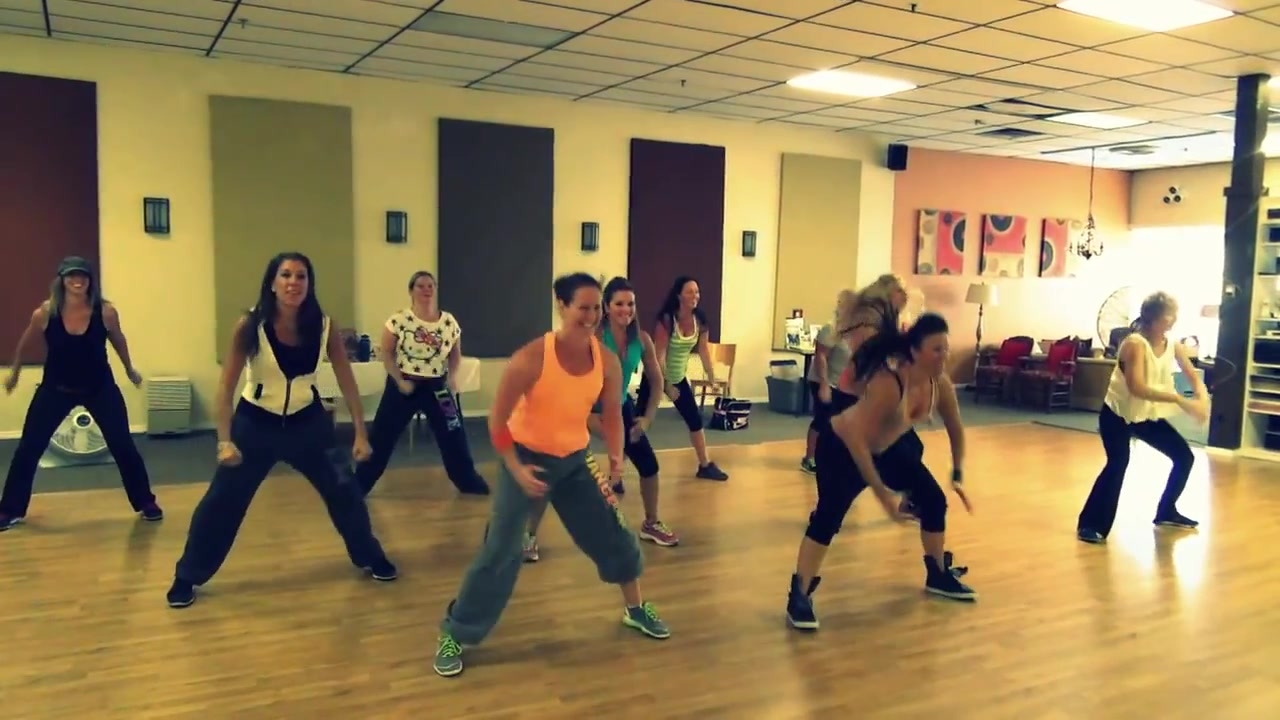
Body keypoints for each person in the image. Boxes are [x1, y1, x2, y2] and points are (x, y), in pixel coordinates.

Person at [432, 273, 670, 678]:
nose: (591, 316)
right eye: (583, 308)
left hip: (576, 460)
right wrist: (516, 468)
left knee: (615, 533)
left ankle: (635, 608)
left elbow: (612, 414)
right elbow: (497, 421)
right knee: (501, 550)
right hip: (524, 457)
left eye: (596, 308)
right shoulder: (531, 358)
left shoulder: (606, 360)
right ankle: (455, 632)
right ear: (561, 305)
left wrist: (615, 456)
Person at [165, 252, 397, 608]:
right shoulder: (249, 325)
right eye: (285, 275)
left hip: (308, 423)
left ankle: (370, 556)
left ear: (309, 284)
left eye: (301, 276)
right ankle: (187, 576)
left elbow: (346, 380)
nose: (293, 283)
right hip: (255, 424)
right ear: (272, 283)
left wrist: (361, 433)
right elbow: (225, 388)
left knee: (345, 490)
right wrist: (224, 441)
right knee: (222, 502)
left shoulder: (324, 326)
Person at [786, 313, 976, 632]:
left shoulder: (940, 384)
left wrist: (957, 472)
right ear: (915, 351)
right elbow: (858, 443)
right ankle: (799, 595)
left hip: (887, 448)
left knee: (933, 500)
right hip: (842, 447)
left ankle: (938, 574)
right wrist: (883, 495)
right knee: (828, 518)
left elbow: (955, 427)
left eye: (946, 349)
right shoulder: (890, 383)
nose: (944, 356)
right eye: (936, 350)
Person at [521, 277, 676, 562]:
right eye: (619, 304)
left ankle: (651, 523)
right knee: (551, 472)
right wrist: (592, 421)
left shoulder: (641, 340)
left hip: (618, 407)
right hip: (578, 408)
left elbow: (657, 381)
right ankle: (527, 534)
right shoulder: (593, 338)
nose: (626, 310)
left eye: (630, 304)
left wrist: (647, 419)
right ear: (606, 307)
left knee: (649, 464)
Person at [0, 256, 161, 531]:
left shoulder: (106, 312)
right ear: (61, 280)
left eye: (83, 276)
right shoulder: (45, 313)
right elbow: (25, 343)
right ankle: (9, 510)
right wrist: (14, 373)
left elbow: (118, 339)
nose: (78, 281)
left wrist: (129, 369)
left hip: (99, 388)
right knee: (29, 448)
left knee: (123, 446)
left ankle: (145, 502)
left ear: (90, 281)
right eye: (71, 276)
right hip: (56, 389)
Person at [1077, 292, 1205, 544]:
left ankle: (1166, 511)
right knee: (1118, 463)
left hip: (1146, 415)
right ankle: (1090, 525)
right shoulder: (1134, 344)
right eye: (1169, 316)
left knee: (1184, 457)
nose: (1174, 320)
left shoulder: (1173, 345)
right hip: (1117, 415)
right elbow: (1137, 388)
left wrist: (1201, 399)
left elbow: (1193, 376)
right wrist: (1180, 400)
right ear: (1155, 319)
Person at [356, 271, 488, 497]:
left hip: (437, 386)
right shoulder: (399, 320)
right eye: (421, 286)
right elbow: (386, 353)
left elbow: (455, 354)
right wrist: (399, 380)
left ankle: (468, 481)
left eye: (430, 286)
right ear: (411, 291)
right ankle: (358, 485)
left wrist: (452, 377)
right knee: (382, 436)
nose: (426, 290)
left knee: (454, 432)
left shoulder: (448, 322)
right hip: (404, 385)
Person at [638, 276, 728, 481]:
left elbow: (704, 350)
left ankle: (705, 465)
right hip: (655, 377)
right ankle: (616, 475)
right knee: (639, 423)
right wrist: (667, 386)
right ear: (679, 295)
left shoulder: (700, 320)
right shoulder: (667, 320)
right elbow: (658, 356)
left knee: (695, 420)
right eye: (689, 291)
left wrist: (711, 376)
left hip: (678, 378)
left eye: (697, 291)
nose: (695, 296)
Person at [801, 290, 859, 474]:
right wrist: (824, 385)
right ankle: (809, 458)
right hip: (824, 380)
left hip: (844, 385)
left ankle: (833, 458)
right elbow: (821, 357)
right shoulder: (830, 329)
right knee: (823, 420)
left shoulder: (856, 332)